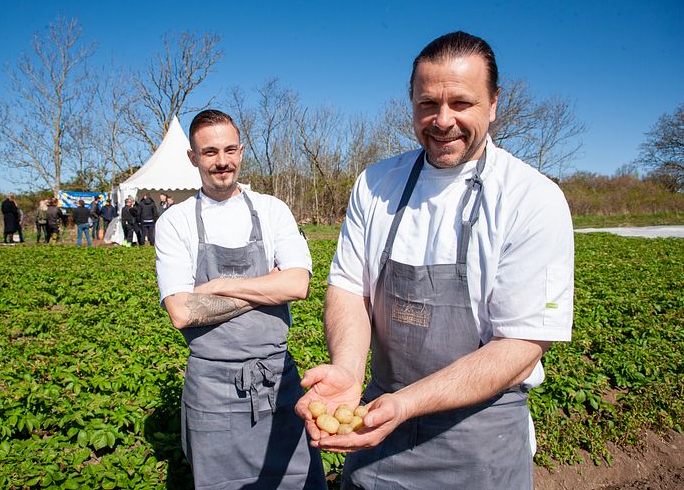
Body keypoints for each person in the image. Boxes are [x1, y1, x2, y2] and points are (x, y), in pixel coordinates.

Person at [295, 32, 575, 490]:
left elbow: (521, 345)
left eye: (461, 103)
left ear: (494, 103)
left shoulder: (532, 198)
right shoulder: (376, 183)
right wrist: (347, 369)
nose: (443, 121)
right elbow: (350, 288)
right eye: (428, 103)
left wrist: (405, 404)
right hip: (378, 435)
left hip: (479, 443)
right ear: (411, 102)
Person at [155, 109, 326, 490]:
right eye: (210, 152)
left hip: (277, 378)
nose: (222, 162)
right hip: (212, 387)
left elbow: (298, 285)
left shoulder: (271, 210)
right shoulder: (175, 221)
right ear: (193, 158)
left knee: (297, 482)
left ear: (242, 151)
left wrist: (218, 285)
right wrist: (268, 287)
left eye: (230, 150)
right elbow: (182, 312)